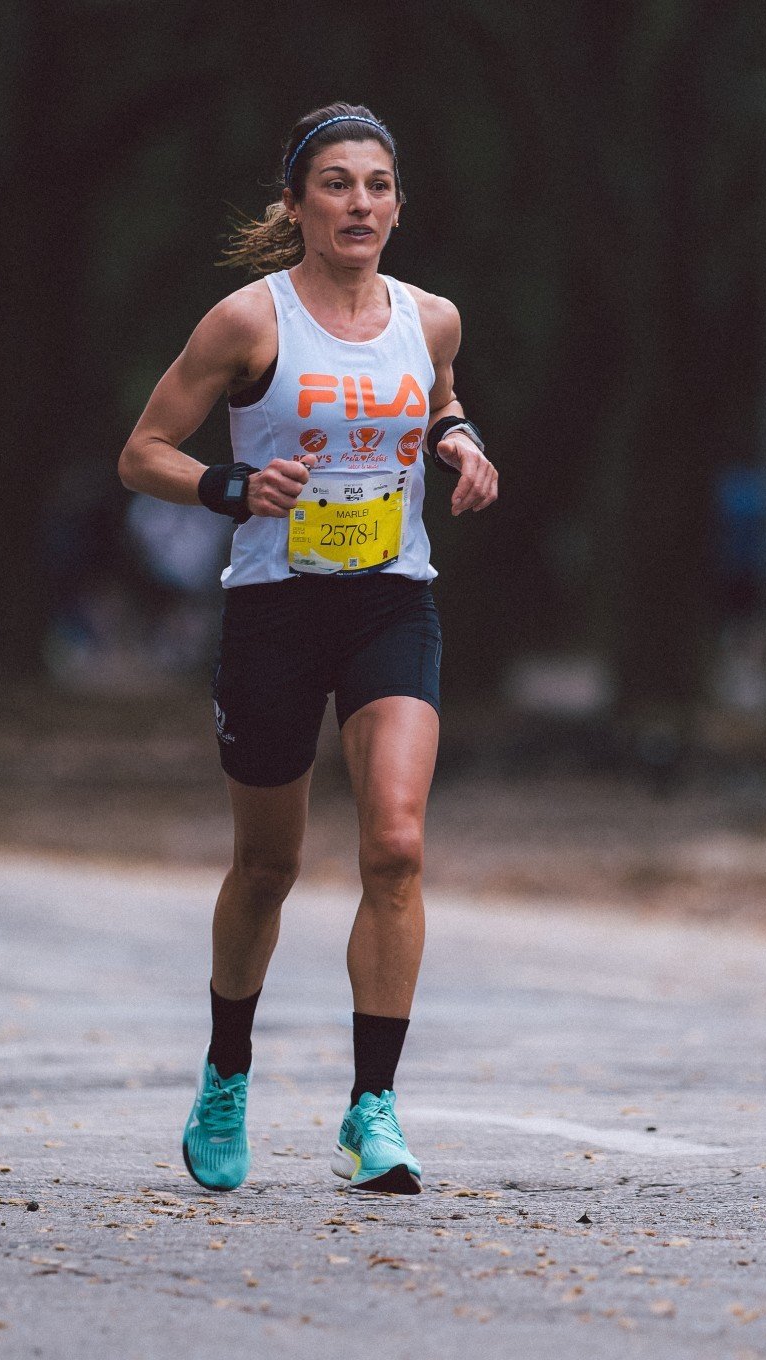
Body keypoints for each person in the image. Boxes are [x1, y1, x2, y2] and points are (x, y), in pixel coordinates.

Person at [117, 102, 499, 1195]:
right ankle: (227, 1074)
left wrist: (460, 441)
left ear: (398, 204)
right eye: (335, 184)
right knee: (268, 867)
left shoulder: (431, 319)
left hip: (391, 600)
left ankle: (371, 1109)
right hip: (275, 610)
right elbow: (141, 452)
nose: (358, 204)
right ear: (295, 204)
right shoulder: (249, 321)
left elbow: (439, 401)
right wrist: (231, 485)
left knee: (396, 844)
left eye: (376, 185)